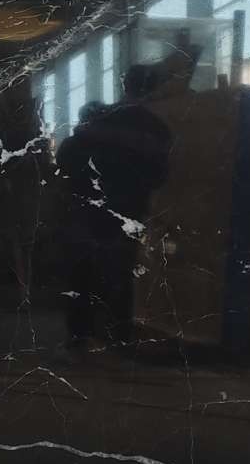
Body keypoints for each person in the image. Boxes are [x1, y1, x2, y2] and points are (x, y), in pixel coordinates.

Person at [55, 64, 171, 351]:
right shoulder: (157, 128)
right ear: (155, 89)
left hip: (89, 208)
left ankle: (79, 335)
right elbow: (160, 176)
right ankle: (118, 336)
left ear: (124, 84)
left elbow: (66, 157)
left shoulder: (100, 119)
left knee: (83, 272)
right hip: (128, 211)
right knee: (121, 272)